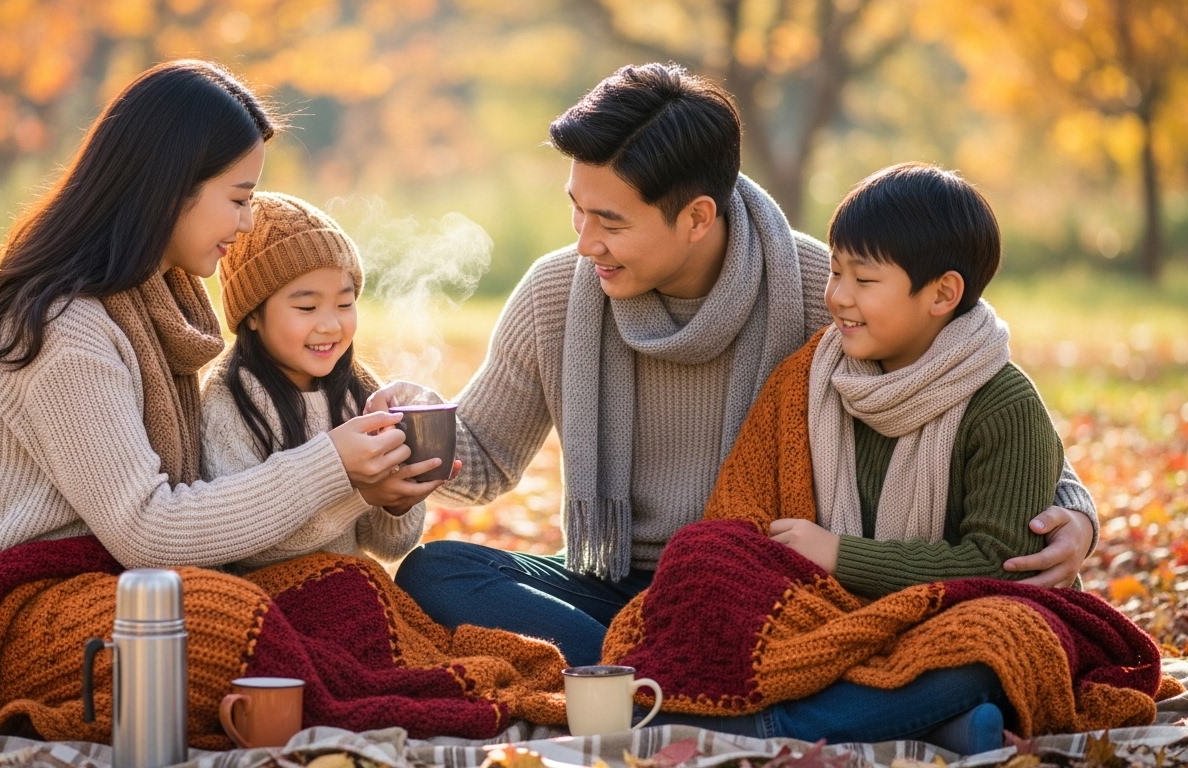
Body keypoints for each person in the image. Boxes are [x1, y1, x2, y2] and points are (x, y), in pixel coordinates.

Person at [378, 63, 1100, 669]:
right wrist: (412, 435)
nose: (586, 241)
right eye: (578, 210)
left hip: (766, 588)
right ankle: (669, 674)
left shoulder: (821, 293)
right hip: (609, 580)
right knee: (438, 572)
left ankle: (642, 675)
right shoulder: (556, 294)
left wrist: (1076, 513)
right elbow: (484, 455)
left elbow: (965, 384)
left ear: (697, 216)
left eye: (612, 221)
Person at [0, 60, 413, 641]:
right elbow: (148, 530)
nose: (247, 222)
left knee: (321, 610)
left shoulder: (157, 312)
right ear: (171, 189)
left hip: (99, 582)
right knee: (238, 631)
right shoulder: (63, 329)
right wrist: (332, 464)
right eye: (239, 198)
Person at [640, 161, 1073, 753]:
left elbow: (1002, 568)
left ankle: (768, 727)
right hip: (825, 614)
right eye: (836, 271)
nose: (838, 296)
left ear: (942, 293)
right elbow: (738, 513)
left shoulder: (1004, 405)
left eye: (864, 280)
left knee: (1006, 635)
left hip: (945, 620)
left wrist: (840, 555)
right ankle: (932, 722)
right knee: (702, 552)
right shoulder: (810, 377)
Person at [198, 191, 455, 567]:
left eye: (345, 304)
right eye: (307, 307)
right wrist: (360, 495)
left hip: (350, 579)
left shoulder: (356, 391)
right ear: (252, 314)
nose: (331, 325)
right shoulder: (230, 403)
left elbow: (388, 547)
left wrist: (398, 502)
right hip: (270, 592)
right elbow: (250, 548)